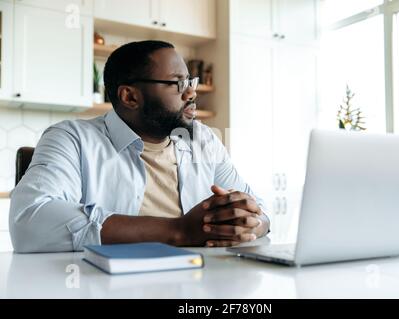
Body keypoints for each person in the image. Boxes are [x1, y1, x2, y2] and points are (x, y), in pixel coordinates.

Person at [9, 40, 270, 253]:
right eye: (177, 83)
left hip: (199, 280)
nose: (191, 93)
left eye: (190, 81)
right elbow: (30, 220)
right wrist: (179, 231)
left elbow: (261, 211)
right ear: (130, 96)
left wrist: (248, 224)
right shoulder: (72, 138)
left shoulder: (204, 140)